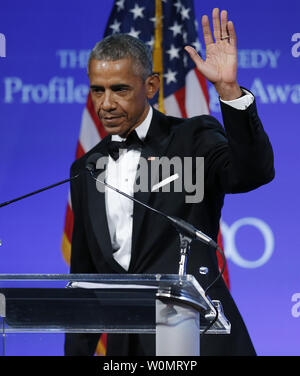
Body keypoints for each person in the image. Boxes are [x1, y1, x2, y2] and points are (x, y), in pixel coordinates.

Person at [64, 8, 274, 356]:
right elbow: (85, 282)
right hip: (126, 350)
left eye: (119, 89)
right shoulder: (86, 169)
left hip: (198, 339)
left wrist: (229, 91)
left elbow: (253, 172)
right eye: (97, 91)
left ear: (151, 86)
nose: (106, 103)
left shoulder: (193, 139)